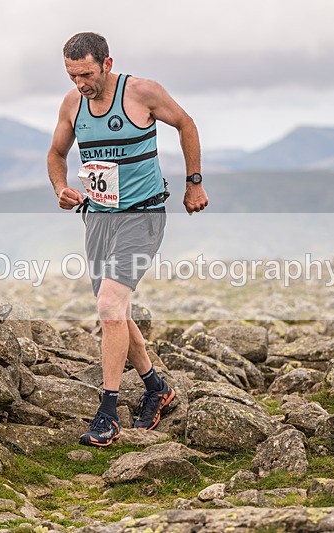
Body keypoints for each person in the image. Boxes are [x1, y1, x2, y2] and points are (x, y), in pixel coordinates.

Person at [47, 32, 208, 447]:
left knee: (107, 305)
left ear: (106, 62)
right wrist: (60, 187)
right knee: (116, 310)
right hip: (98, 219)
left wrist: (194, 184)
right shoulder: (72, 103)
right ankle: (156, 387)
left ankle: (108, 411)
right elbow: (56, 154)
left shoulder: (142, 92)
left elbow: (186, 123)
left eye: (85, 74)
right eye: (72, 75)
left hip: (143, 215)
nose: (80, 83)